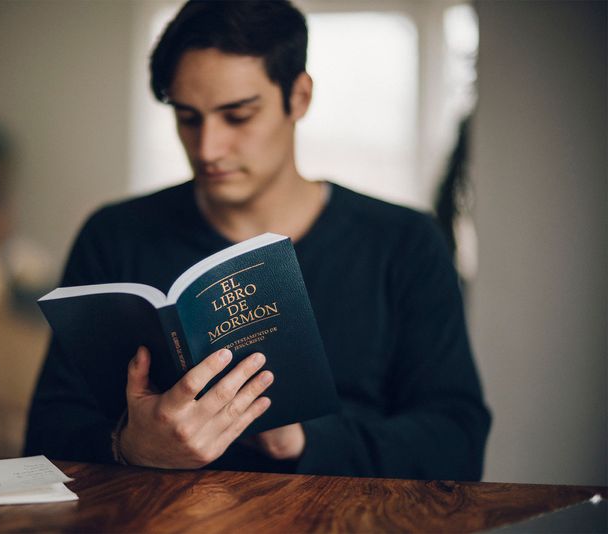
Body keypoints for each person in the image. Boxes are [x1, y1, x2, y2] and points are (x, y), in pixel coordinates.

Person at [24, 0, 490, 479]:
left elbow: (457, 440)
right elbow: (45, 432)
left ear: (299, 97)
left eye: (238, 116)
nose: (208, 149)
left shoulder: (405, 243)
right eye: (188, 118)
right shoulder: (114, 235)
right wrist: (129, 445)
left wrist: (303, 439)